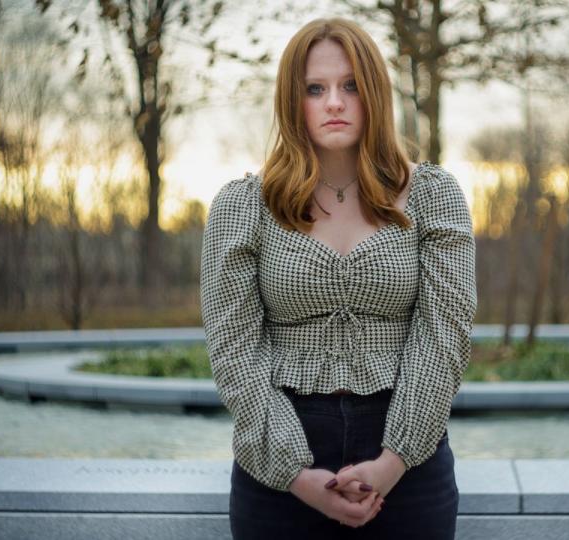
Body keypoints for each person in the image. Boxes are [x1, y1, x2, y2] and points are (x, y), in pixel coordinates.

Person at [199, 16, 477, 540]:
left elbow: (446, 336)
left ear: (374, 92)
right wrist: (297, 475)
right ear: (292, 99)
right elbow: (233, 348)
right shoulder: (242, 207)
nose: (334, 102)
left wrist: (392, 463)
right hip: (278, 471)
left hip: (410, 470)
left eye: (350, 85)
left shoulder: (434, 197)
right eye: (315, 88)